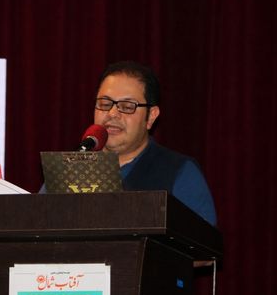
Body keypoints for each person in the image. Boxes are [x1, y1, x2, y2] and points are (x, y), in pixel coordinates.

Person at [92, 61, 217, 226]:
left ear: (151, 116)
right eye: (105, 104)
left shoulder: (179, 173)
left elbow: (200, 240)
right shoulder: (72, 169)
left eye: (127, 106)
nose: (112, 113)